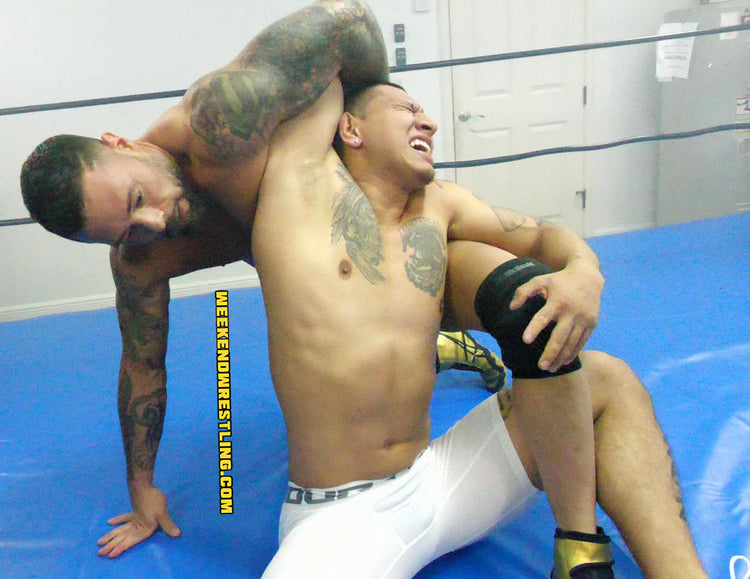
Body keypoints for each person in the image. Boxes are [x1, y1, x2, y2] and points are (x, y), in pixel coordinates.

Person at [18, 2, 704, 575]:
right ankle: (430, 344)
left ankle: (590, 552)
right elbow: (142, 366)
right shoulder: (145, 256)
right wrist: (142, 489)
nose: (151, 225)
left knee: (537, 311)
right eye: (123, 233)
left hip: (425, 441)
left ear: (121, 143)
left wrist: (379, 118)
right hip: (340, 509)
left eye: (138, 199)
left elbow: (345, 20)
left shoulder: (228, 119)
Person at [248, 78, 707, 576]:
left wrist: (584, 270)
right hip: (338, 517)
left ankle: (609, 559)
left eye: (425, 112)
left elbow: (543, 236)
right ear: (351, 129)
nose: (429, 122)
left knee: (607, 378)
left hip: (435, 481)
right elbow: (316, 49)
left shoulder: (440, 204)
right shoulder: (302, 196)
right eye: (407, 108)